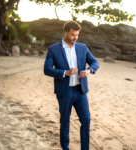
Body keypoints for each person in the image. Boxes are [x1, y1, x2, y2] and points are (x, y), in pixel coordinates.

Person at [44, 20, 99, 150]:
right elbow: (47, 69)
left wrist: (88, 70)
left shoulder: (82, 47)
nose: (75, 38)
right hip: (64, 92)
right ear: (65, 33)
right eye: (73, 35)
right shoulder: (53, 49)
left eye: (77, 35)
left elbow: (95, 62)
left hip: (81, 91)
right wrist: (65, 72)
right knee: (65, 123)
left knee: (86, 120)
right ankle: (65, 148)